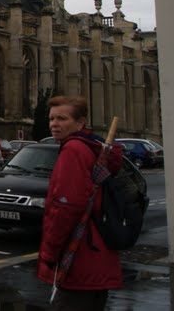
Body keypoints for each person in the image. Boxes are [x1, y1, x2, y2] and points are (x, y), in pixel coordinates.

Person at [37, 95, 124, 310]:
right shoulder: (90, 147)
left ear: (80, 122)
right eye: (51, 119)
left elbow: (66, 207)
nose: (54, 125)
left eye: (61, 119)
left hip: (79, 257)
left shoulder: (73, 150)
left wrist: (49, 252)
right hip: (97, 257)